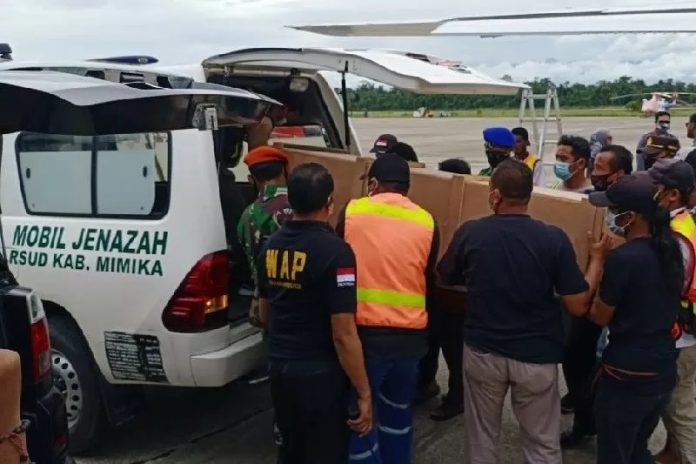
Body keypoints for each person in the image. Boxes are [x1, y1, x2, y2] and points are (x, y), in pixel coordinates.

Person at [438, 159, 606, 463]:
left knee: (481, 439)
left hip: (483, 352)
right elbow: (577, 305)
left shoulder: (472, 233)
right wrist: (596, 261)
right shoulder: (554, 238)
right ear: (530, 195)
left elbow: (445, 276)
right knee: (542, 443)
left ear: (495, 194)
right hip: (536, 356)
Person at [257, 163, 372, 464]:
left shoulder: (269, 247)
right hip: (319, 373)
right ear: (329, 203)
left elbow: (263, 312)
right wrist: (363, 392)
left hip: (281, 366)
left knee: (290, 450)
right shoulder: (336, 252)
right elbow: (343, 333)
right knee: (326, 452)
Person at [336, 154, 439, 464]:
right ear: (407, 188)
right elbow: (427, 275)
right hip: (409, 341)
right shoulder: (426, 220)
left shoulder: (352, 212)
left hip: (365, 339)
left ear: (373, 184)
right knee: (397, 416)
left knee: (359, 419)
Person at [588, 174, 682, 464]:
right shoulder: (671, 249)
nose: (610, 217)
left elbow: (599, 315)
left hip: (627, 375)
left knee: (614, 453)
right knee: (638, 449)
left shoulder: (623, 258)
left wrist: (597, 261)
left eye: (614, 210)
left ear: (632, 216)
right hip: (662, 368)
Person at [560, 144, 634, 448]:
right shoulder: (592, 201)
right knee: (575, 358)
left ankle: (598, 424)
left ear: (620, 174)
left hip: (612, 302)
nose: (595, 173)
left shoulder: (634, 207)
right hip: (584, 294)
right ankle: (583, 417)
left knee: (603, 369)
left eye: (601, 168)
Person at [648, 159, 696, 464]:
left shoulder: (675, 237)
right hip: (687, 330)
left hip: (682, 335)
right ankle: (672, 454)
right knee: (678, 400)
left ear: (672, 195)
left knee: (677, 406)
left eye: (654, 188)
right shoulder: (683, 223)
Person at [418, 158, 469, 421]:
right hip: (434, 290)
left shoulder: (462, 215)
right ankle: (427, 383)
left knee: (451, 348)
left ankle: (456, 397)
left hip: (451, 295)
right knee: (430, 344)